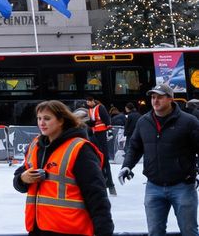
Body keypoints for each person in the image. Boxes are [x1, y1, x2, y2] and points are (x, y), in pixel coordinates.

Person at [14, 100, 112, 236]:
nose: (42, 123)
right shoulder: (35, 146)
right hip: (38, 228)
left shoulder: (79, 148)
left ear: (61, 121)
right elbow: (19, 180)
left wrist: (103, 230)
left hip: (69, 229)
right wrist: (22, 179)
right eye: (39, 118)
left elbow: (96, 193)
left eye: (47, 119)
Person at [120, 81, 199, 236]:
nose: (155, 101)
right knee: (155, 232)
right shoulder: (144, 122)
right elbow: (135, 147)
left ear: (171, 99)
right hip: (153, 187)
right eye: (153, 97)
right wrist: (127, 165)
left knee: (189, 231)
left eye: (160, 97)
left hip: (183, 185)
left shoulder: (188, 122)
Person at [84, 96, 116, 196]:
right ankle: (104, 182)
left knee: (104, 159)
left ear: (93, 101)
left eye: (89, 101)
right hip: (95, 134)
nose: (88, 103)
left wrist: (109, 130)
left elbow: (106, 118)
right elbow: (92, 122)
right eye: (87, 102)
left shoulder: (100, 107)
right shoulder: (90, 110)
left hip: (101, 133)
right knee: (98, 158)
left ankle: (109, 183)